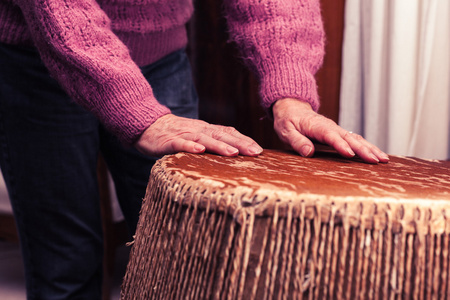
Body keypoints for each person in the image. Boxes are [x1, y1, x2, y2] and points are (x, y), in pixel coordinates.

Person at [0, 0, 389, 298]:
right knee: (65, 261)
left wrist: (291, 92)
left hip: (160, 53)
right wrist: (137, 112)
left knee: (181, 250)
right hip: (35, 53)